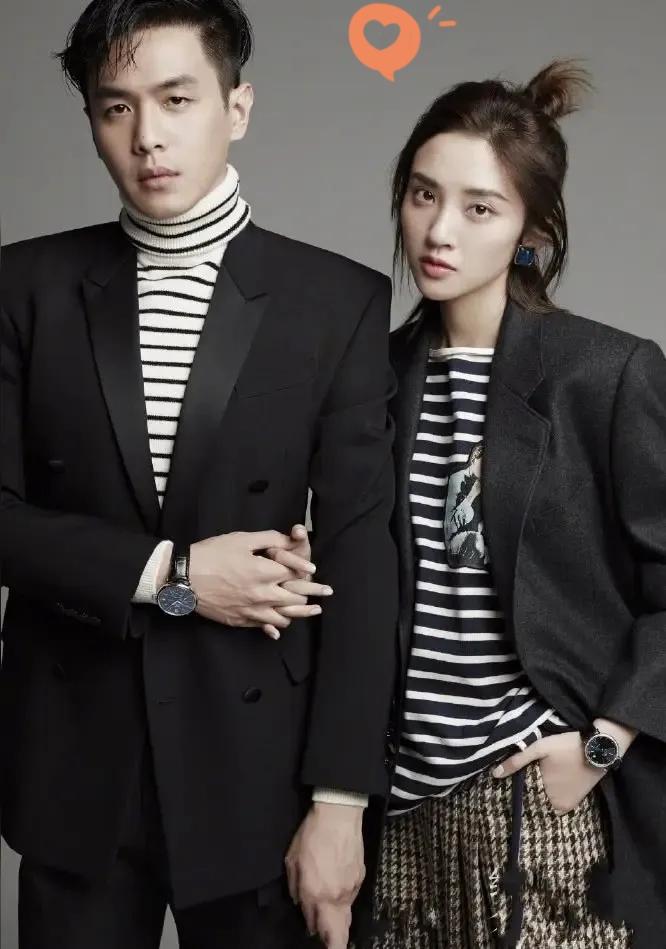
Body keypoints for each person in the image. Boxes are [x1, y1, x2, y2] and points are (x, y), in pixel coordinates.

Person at [0, 2, 398, 947]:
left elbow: (362, 560)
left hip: (262, 769)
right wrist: (173, 576)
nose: (148, 136)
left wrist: (341, 800)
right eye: (117, 107)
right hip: (76, 766)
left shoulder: (337, 301)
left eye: (177, 99)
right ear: (93, 122)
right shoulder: (22, 287)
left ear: (238, 107)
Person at [358, 60, 666, 948]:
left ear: (531, 230)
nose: (439, 230)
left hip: (542, 796)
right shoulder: (368, 378)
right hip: (399, 806)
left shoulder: (604, 374)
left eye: (480, 208)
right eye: (423, 194)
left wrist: (603, 741)